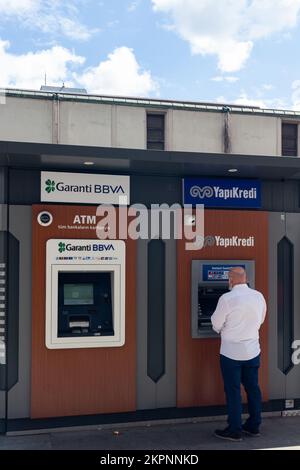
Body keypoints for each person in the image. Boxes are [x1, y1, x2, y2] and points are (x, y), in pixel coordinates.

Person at [211, 267, 266, 442]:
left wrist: (224, 329)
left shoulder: (226, 299)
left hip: (231, 353)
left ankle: (234, 430)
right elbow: (261, 320)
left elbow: (216, 323)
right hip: (252, 351)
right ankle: (254, 426)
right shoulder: (258, 296)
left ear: (230, 280)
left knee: (233, 391)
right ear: (246, 278)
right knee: (253, 388)